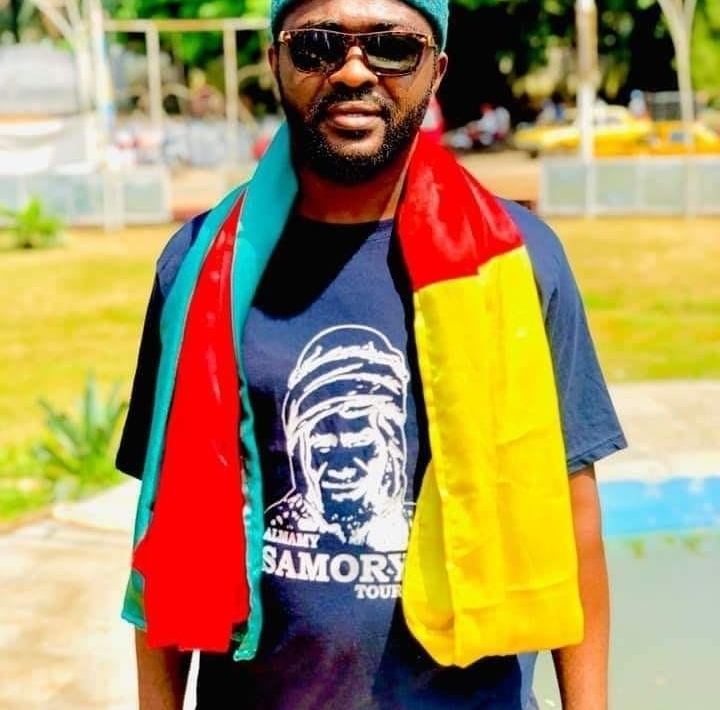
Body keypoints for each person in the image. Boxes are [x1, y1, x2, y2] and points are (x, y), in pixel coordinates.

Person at [115, 0, 627, 708]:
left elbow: (573, 524)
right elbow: (164, 533)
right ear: (275, 61)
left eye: (392, 47)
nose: (355, 71)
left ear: (435, 70)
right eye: (317, 44)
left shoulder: (520, 261)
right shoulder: (200, 269)